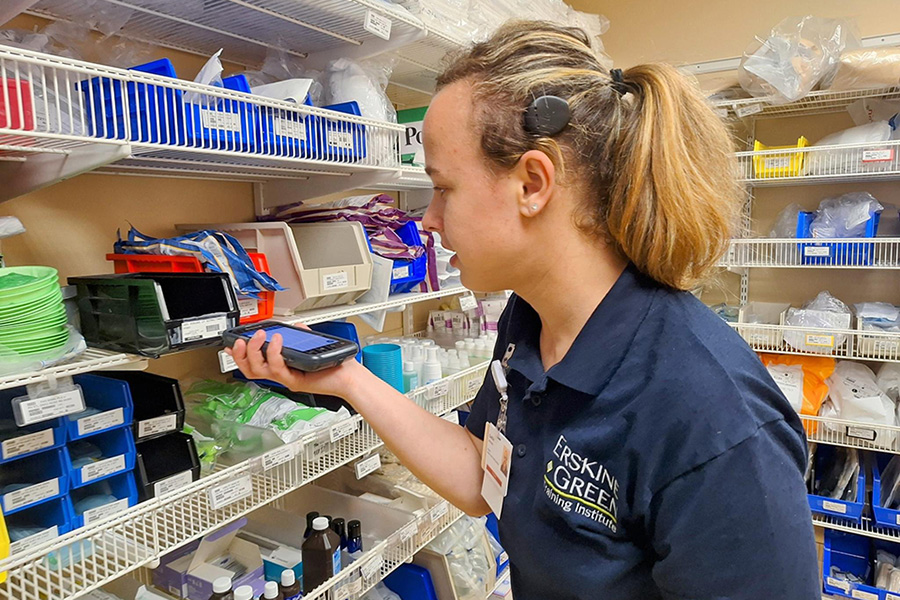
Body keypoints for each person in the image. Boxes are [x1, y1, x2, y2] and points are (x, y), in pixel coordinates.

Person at [228, 20, 819, 600]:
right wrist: (346, 378)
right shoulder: (528, 323)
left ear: (533, 183)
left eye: (443, 187)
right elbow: (485, 480)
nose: (428, 221)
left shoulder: (716, 421)